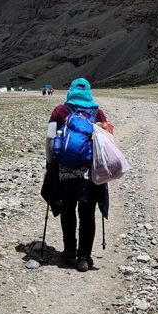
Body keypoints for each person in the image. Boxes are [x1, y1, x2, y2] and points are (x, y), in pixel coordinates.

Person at [41, 77, 110, 273]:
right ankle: (84, 257)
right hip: (90, 172)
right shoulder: (97, 113)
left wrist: (50, 163)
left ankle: (69, 251)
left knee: (68, 209)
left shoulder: (60, 111)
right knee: (87, 212)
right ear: (88, 92)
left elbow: (49, 138)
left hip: (65, 171)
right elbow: (106, 141)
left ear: (71, 91)